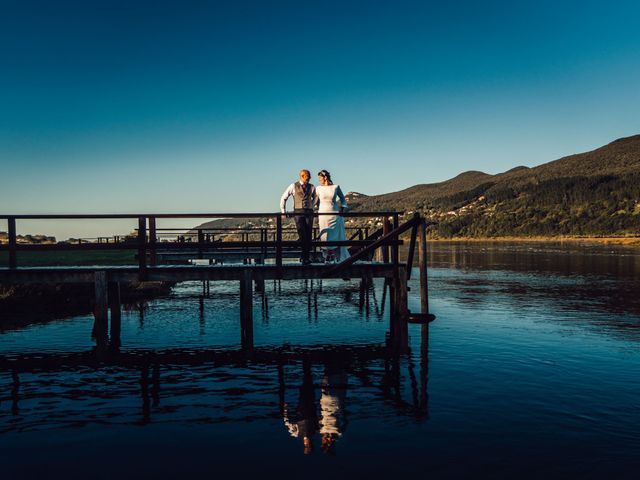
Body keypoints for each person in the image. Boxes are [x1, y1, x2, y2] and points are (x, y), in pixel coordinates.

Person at [280, 170, 318, 264]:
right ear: (302, 176)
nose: (309, 178)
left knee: (308, 235)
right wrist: (283, 211)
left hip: (309, 212)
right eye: (307, 176)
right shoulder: (293, 186)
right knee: (302, 234)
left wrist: (312, 205)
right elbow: (283, 197)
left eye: (309, 176)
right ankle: (304, 257)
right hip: (298, 212)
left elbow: (316, 197)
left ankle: (305, 257)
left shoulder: (312, 187)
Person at [316, 170, 349, 263]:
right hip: (322, 214)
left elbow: (343, 200)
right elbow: (315, 201)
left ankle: (333, 255)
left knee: (334, 236)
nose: (319, 180)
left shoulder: (336, 187)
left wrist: (343, 208)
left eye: (320, 178)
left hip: (334, 213)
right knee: (324, 236)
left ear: (325, 177)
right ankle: (327, 256)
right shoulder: (318, 188)